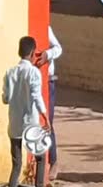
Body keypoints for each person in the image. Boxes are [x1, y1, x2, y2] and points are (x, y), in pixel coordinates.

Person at [2, 36, 50, 187]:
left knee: (16, 164)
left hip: (14, 124)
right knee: (40, 158)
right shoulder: (34, 73)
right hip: (31, 124)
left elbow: (6, 99)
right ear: (33, 52)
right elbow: (36, 96)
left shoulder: (10, 73)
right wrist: (45, 116)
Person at [36, 26, 62, 181]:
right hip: (31, 81)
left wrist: (48, 54)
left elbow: (58, 48)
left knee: (47, 122)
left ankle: (53, 161)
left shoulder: (46, 29)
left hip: (48, 81)